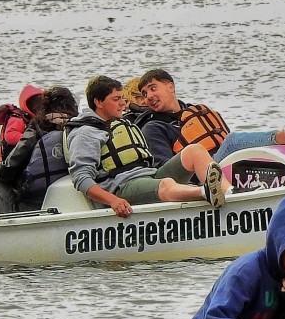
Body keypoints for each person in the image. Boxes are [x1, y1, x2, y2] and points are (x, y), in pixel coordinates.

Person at [66, 75, 227, 217]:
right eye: (116, 99)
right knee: (166, 184)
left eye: (122, 98)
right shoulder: (86, 133)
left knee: (194, 151)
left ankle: (230, 193)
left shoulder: (119, 123)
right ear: (98, 102)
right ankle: (206, 192)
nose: (123, 103)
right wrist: (114, 201)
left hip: (149, 176)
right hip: (121, 187)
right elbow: (81, 179)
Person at [135, 68, 285, 166]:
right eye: (144, 93)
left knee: (240, 145)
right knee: (233, 140)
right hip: (200, 176)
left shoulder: (194, 112)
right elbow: (166, 170)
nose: (149, 96)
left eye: (153, 88)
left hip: (225, 164)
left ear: (170, 87)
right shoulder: (153, 127)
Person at [0, 85, 75, 214]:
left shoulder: (36, 130)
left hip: (26, 209)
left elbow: (5, 172)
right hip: (62, 202)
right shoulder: (76, 129)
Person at [0, 86, 78, 212]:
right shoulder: (78, 127)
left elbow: (6, 172)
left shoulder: (36, 129)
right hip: (67, 199)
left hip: (30, 206)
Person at [0, 84, 44, 159]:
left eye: (40, 104)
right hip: (11, 158)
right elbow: (10, 136)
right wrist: (33, 139)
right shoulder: (17, 119)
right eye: (34, 104)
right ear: (25, 104)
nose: (37, 107)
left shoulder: (32, 118)